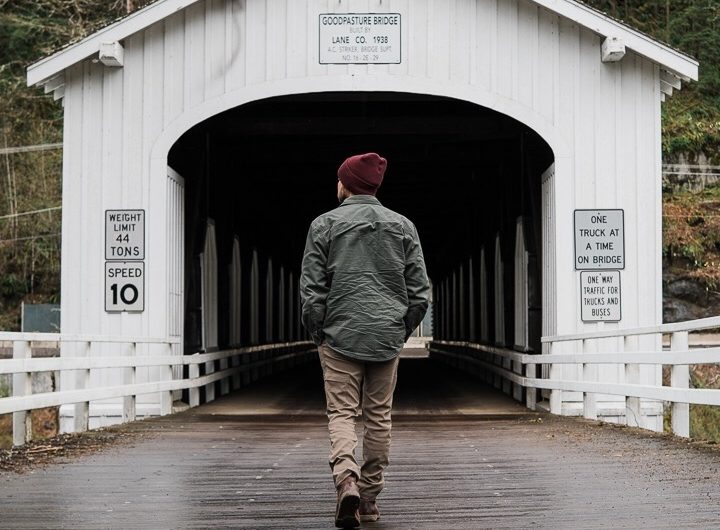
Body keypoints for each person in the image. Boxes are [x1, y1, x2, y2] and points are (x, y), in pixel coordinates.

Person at [300, 152, 431, 528]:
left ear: (347, 184)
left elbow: (312, 291)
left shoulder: (323, 225)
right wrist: (399, 329)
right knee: (379, 418)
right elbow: (420, 293)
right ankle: (370, 499)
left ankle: (347, 479)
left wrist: (319, 333)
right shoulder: (403, 226)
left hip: (339, 335)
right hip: (385, 337)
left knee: (342, 413)